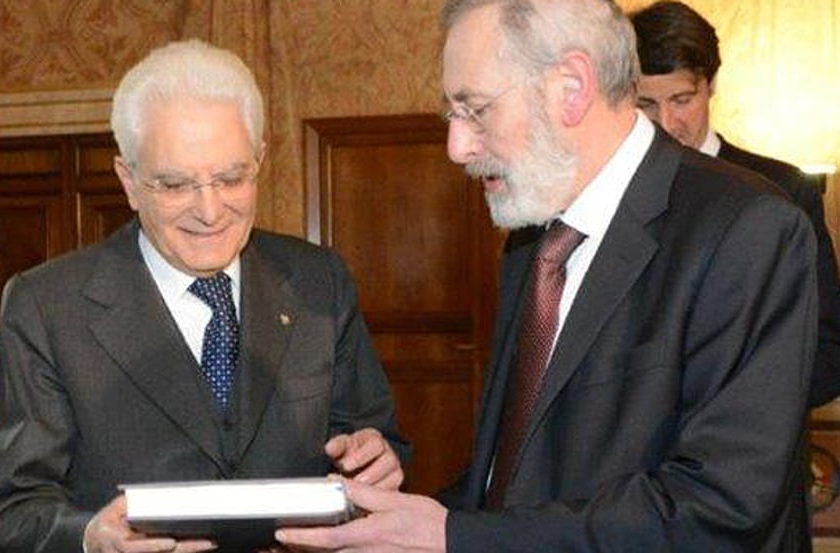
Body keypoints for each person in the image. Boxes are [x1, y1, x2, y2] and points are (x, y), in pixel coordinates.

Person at [276, 0, 818, 551]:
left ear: (572, 88)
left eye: (476, 110)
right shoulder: (533, 238)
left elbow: (718, 508)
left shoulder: (747, 231)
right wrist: (397, 523)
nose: (457, 148)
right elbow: (512, 478)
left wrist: (455, 536)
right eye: (452, 114)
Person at [0, 39, 408, 553]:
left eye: (231, 178)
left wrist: (376, 459)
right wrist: (90, 537)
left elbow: (373, 440)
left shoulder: (319, 281)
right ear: (129, 181)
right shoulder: (48, 307)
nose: (210, 211)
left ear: (259, 160)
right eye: (176, 185)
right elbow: (10, 512)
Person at [630, 1, 840, 407]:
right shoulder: (607, 193)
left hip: (753, 439)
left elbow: (827, 350)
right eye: (646, 105)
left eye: (681, 100)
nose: (666, 124)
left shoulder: (782, 190)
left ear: (710, 84)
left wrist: (730, 414)